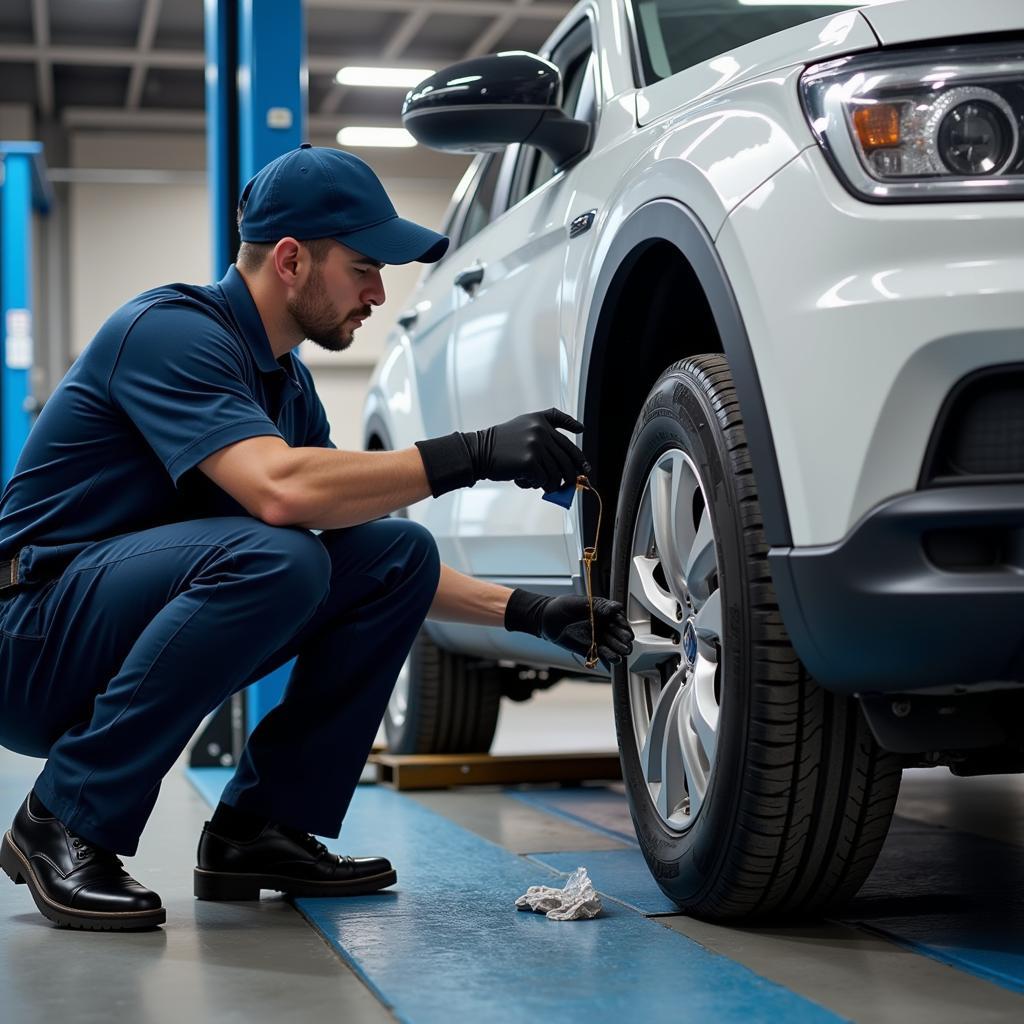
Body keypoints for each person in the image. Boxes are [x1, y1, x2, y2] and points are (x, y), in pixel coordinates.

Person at [0, 144, 633, 931]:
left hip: (108, 624)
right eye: (364, 266)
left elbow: (358, 550)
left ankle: (258, 831)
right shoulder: (169, 331)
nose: (379, 291)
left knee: (395, 555)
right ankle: (64, 818)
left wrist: (531, 613)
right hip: (30, 635)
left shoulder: (287, 385)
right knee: (278, 555)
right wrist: (470, 453)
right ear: (292, 260)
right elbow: (280, 492)